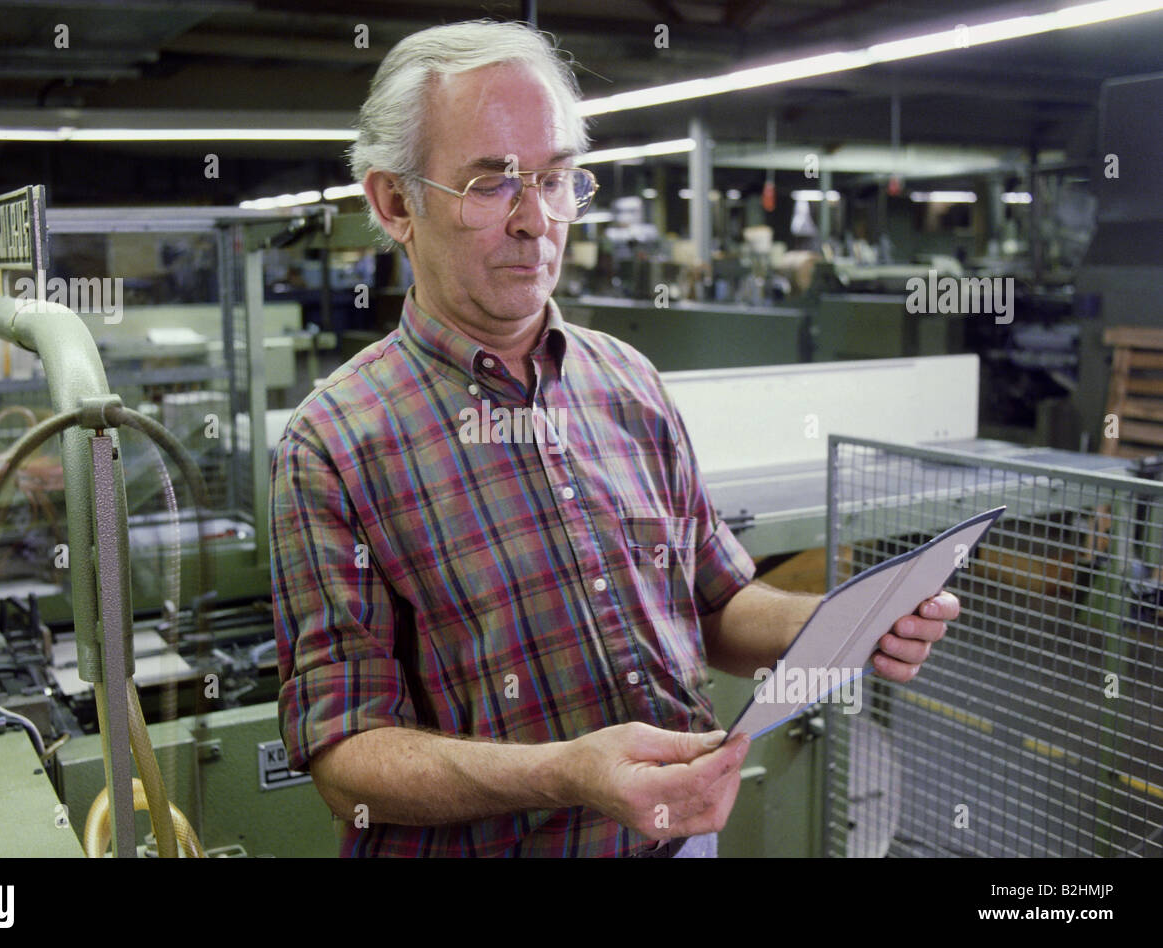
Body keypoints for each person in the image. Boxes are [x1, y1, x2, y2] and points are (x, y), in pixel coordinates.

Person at [269, 19, 959, 857]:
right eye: (492, 186)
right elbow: (346, 757)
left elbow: (716, 605)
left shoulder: (627, 381)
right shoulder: (335, 442)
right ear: (393, 203)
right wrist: (568, 772)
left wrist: (848, 623)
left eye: (557, 180)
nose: (536, 221)